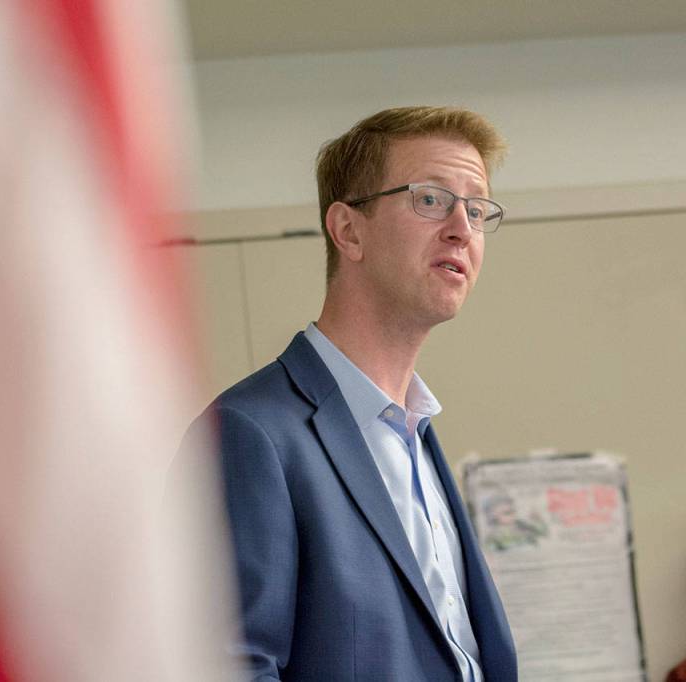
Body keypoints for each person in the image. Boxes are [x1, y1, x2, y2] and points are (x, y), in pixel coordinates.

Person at [181, 106, 518, 681]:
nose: (462, 227)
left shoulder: (415, 433)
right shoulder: (249, 433)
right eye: (431, 199)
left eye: (477, 207)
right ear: (348, 230)